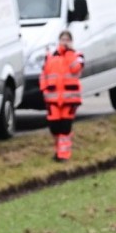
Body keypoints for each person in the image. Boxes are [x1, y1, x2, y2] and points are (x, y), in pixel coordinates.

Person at [39, 30, 82, 161]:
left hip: (69, 99)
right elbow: (44, 74)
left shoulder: (77, 55)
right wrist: (44, 90)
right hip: (53, 98)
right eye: (63, 39)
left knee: (65, 127)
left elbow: (76, 69)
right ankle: (58, 150)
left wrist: (68, 53)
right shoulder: (51, 56)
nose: (65, 42)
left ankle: (63, 155)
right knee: (54, 127)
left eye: (67, 40)